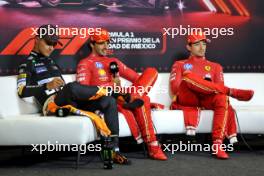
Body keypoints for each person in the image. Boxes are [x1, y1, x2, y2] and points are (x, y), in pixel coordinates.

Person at [17, 24, 130, 165]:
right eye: (48, 43)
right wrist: (46, 85)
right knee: (72, 87)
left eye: (54, 44)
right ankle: (112, 91)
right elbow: (21, 91)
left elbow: (66, 89)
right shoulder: (27, 64)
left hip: (69, 101)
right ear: (37, 40)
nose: (51, 48)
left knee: (109, 101)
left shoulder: (52, 62)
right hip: (52, 104)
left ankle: (114, 150)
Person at [76, 29, 167, 160]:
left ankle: (132, 99)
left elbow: (138, 79)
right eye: (101, 43)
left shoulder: (113, 61)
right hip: (107, 99)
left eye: (108, 42)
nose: (106, 46)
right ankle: (153, 147)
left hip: (123, 95)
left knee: (151, 72)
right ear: (92, 44)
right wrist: (111, 86)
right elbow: (83, 91)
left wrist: (121, 88)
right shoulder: (85, 63)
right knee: (144, 99)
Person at [169, 31, 254, 159]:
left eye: (204, 44)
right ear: (189, 47)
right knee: (188, 77)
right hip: (187, 98)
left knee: (222, 98)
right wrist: (197, 83)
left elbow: (219, 91)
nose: (202, 47)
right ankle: (232, 92)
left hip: (206, 100)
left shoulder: (216, 67)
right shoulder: (180, 64)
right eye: (197, 44)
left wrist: (202, 86)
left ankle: (217, 144)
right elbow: (176, 89)